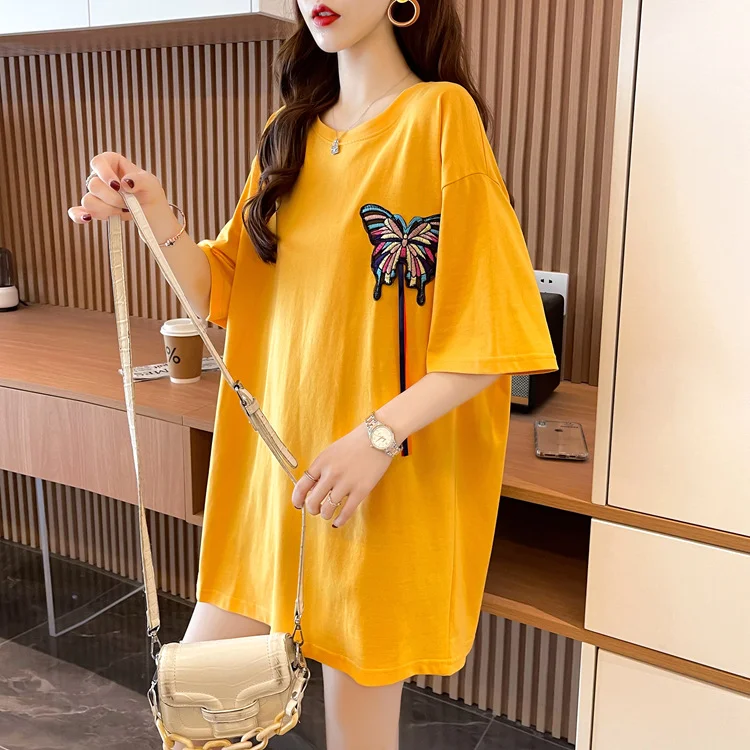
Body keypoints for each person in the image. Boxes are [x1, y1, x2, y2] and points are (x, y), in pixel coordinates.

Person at [68, 1, 558, 747]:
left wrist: (378, 438)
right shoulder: (287, 131)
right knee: (202, 722)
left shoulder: (439, 117)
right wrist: (150, 207)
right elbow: (220, 290)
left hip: (375, 482)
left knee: (359, 735)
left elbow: (492, 331)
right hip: (273, 474)